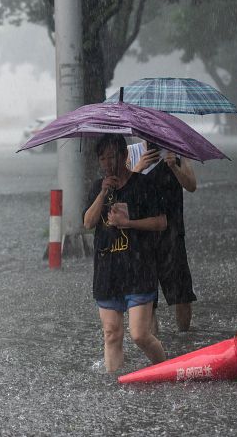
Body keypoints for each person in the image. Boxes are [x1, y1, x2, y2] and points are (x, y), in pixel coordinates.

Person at [83, 134, 168, 373]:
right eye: (102, 159)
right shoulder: (98, 188)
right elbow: (88, 222)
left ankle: (167, 371)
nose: (108, 163)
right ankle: (115, 389)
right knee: (111, 333)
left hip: (139, 269)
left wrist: (130, 223)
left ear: (125, 155)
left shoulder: (144, 185)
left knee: (140, 334)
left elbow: (161, 222)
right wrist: (102, 194)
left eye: (112, 157)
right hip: (108, 271)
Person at [131, 142, 197, 332]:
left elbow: (191, 185)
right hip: (142, 237)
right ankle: (156, 348)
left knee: (182, 295)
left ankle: (184, 340)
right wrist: (138, 168)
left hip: (173, 234)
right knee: (148, 301)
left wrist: (174, 167)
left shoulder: (178, 150)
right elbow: (123, 193)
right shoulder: (131, 152)